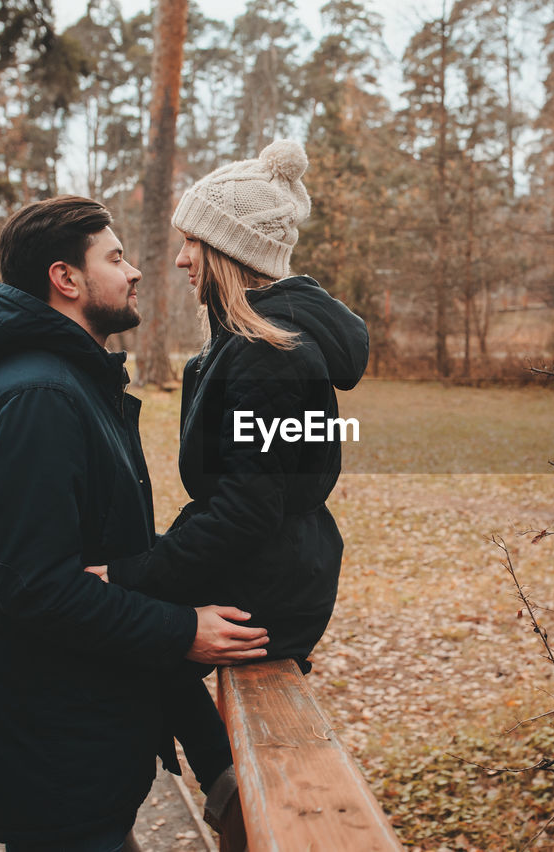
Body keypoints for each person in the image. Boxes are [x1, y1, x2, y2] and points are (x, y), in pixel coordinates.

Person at [0, 196, 269, 852]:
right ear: (66, 279)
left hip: (76, 748)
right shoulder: (38, 398)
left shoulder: (71, 384)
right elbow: (39, 589)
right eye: (116, 258)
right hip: (50, 764)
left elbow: (105, 553)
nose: (136, 271)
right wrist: (182, 631)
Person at [96, 139, 368, 826]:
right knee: (137, 646)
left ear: (226, 250)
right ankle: (228, 791)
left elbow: (246, 509)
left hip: (266, 585)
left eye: (193, 242)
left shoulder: (262, 359)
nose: (181, 258)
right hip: (284, 569)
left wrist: (131, 574)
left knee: (125, 643)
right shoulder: (257, 346)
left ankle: (235, 802)